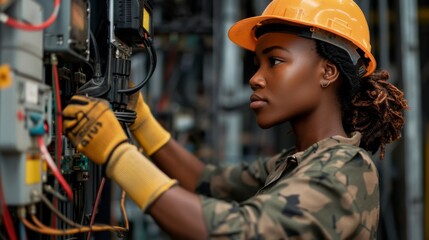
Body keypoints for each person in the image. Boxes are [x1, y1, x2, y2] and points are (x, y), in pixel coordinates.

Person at [63, 0, 408, 239]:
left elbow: (239, 231)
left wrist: (116, 155)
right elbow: (204, 180)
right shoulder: (301, 161)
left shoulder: (343, 170)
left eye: (274, 61)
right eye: (257, 64)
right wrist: (143, 124)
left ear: (328, 71)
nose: (255, 78)